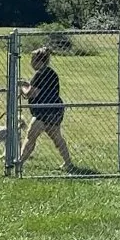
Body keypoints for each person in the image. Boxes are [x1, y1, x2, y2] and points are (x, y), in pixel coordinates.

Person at [17, 45, 75, 173]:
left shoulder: (39, 74)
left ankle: (19, 163)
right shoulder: (50, 72)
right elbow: (38, 89)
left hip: (44, 112)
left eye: (32, 59)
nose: (31, 62)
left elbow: (31, 93)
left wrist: (21, 88)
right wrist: (27, 84)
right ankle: (68, 163)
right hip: (55, 110)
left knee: (30, 136)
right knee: (57, 137)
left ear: (39, 61)